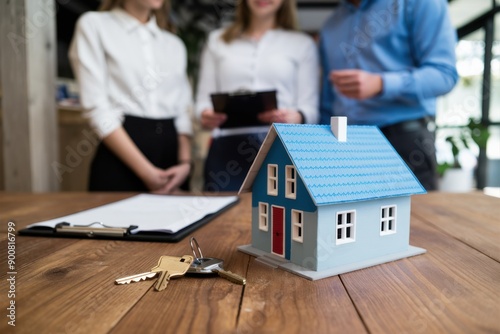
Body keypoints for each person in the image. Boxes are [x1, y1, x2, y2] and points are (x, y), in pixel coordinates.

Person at [319, 0, 458, 190]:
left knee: (413, 219)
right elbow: (328, 99)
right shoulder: (331, 25)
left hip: (402, 142)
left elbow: (444, 75)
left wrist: (381, 84)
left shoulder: (419, 4)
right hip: (344, 146)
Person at [69, 0, 193, 193]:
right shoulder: (94, 25)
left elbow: (183, 111)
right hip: (121, 159)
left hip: (173, 164)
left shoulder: (174, 44)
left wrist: (185, 164)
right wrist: (147, 173)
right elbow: (98, 109)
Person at [196, 0, 319, 192]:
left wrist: (296, 116)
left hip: (281, 148)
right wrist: (205, 114)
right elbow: (202, 101)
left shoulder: (302, 44)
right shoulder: (217, 41)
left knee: (279, 214)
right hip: (226, 149)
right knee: (221, 216)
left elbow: (310, 109)